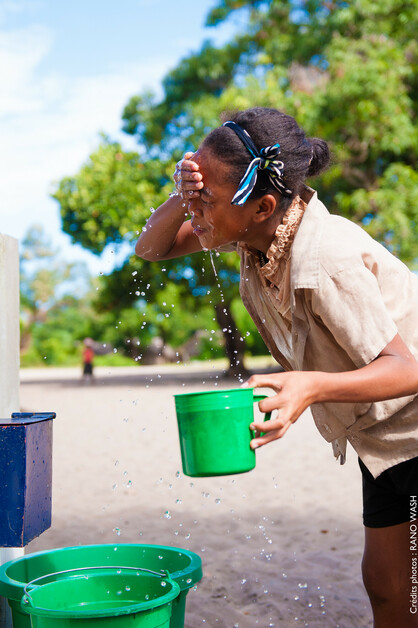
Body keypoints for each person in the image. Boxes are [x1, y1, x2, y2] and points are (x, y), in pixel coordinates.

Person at [135, 107, 418, 627]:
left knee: (406, 584)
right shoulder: (250, 233)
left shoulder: (325, 257)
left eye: (207, 201)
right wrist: (185, 193)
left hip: (413, 428)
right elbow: (150, 248)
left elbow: (407, 369)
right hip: (383, 436)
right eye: (194, 199)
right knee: (386, 583)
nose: (197, 214)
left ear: (263, 204)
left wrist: (310, 387)